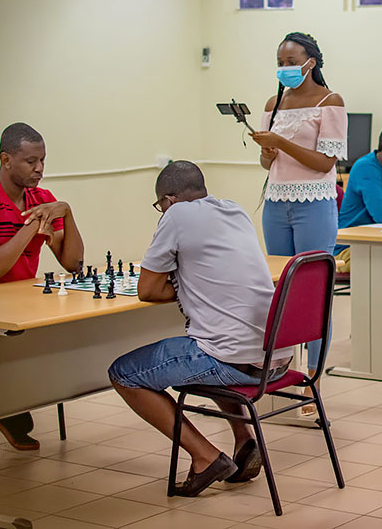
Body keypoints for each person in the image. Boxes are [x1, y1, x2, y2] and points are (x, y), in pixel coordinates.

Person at [108, 161, 292, 497]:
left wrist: (182, 284)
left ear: (168, 200)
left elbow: (147, 289)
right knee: (218, 335)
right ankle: (244, 439)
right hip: (274, 358)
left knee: (124, 373)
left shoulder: (176, 216)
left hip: (233, 362)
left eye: (159, 206)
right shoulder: (234, 211)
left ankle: (205, 457)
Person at [0, 122, 85, 451]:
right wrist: (31, 226)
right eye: (31, 162)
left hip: (22, 303)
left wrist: (67, 214)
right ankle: (4, 407)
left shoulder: (42, 199)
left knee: (68, 340)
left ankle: (13, 406)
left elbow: (72, 264)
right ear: (6, 159)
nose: (40, 169)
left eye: (43, 160)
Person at [249, 32, 345, 413]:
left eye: (292, 61)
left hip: (315, 204)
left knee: (314, 292)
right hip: (276, 204)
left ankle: (314, 382)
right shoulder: (274, 102)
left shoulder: (330, 101)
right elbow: (267, 161)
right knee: (280, 292)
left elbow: (326, 162)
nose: (286, 68)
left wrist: (282, 143)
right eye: (281, 61)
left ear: (311, 62)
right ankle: (278, 375)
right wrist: (268, 152)